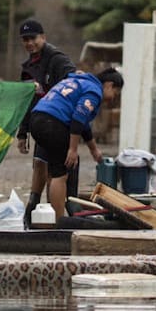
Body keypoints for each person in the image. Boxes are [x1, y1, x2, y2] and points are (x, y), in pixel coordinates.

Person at [28, 68, 123, 223]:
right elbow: (78, 118)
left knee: (54, 170)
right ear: (109, 85)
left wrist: (94, 150)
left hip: (37, 119)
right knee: (61, 174)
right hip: (53, 123)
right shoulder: (94, 91)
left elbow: (84, 124)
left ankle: (49, 217)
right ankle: (59, 222)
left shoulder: (78, 82)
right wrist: (72, 149)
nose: (112, 99)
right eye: (115, 94)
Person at [15, 19, 76, 228]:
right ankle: (33, 209)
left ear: (43, 37)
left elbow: (75, 86)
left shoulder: (58, 60)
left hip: (59, 123)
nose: (29, 43)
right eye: (25, 40)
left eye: (33, 38)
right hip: (40, 124)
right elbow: (27, 100)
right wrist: (22, 133)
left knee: (54, 173)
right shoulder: (28, 67)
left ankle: (56, 219)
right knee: (39, 164)